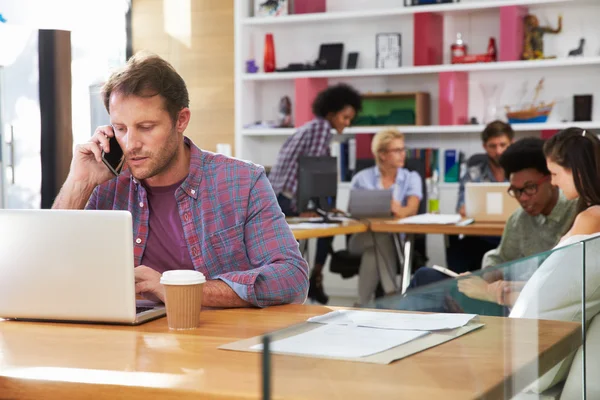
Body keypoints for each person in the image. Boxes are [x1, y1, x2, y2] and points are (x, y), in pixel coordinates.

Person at [52, 52, 309, 308]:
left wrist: (178, 288)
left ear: (181, 120)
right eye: (120, 128)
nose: (131, 144)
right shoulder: (106, 185)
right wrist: (79, 182)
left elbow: (291, 277)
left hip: (214, 340)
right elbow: (48, 269)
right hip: (126, 340)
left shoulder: (243, 182)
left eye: (147, 127)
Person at [268, 83, 362, 305]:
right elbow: (315, 173)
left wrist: (323, 207)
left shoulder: (310, 127)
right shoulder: (320, 129)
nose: (347, 123)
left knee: (325, 223)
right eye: (344, 117)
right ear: (331, 114)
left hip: (280, 195)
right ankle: (314, 277)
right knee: (327, 227)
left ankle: (314, 278)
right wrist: (310, 208)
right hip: (288, 198)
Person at [349, 129, 423, 306]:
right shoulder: (361, 178)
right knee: (379, 237)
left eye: (403, 149)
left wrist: (398, 209)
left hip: (397, 241)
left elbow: (412, 209)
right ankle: (392, 295)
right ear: (382, 154)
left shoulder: (411, 178)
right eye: (396, 150)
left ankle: (361, 304)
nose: (402, 154)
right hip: (360, 239)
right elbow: (352, 212)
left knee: (375, 248)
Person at [447, 120, 514, 273]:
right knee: (458, 250)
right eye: (492, 146)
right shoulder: (473, 173)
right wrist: (465, 209)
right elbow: (461, 208)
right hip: (480, 238)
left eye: (503, 145)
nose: (498, 151)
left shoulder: (521, 173)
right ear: (484, 146)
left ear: (511, 144)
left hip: (513, 237)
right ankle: (457, 293)